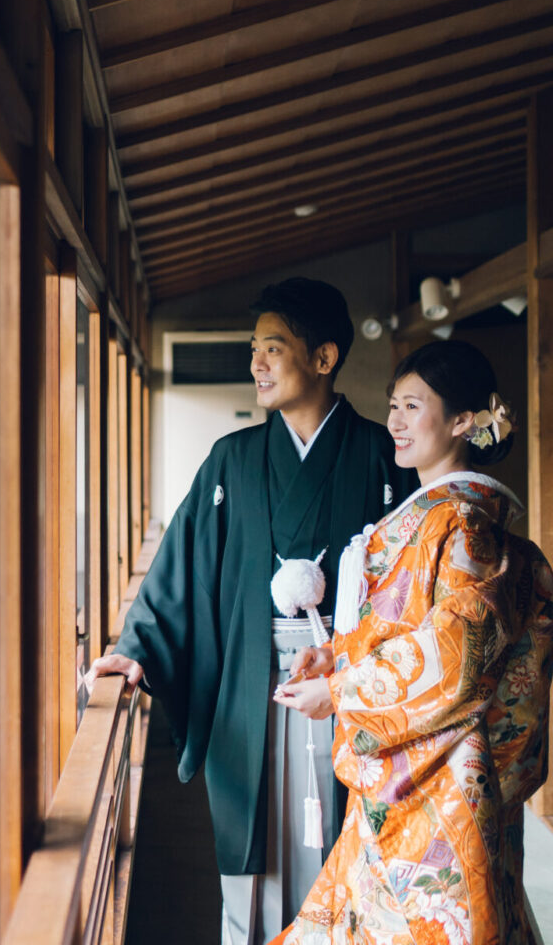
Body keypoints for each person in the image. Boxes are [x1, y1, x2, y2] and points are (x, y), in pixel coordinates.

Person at [87, 277, 416, 945]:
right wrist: (139, 647)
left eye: (273, 348)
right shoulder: (231, 461)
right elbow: (179, 569)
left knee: (352, 844)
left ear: (323, 359)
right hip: (248, 682)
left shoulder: (383, 455)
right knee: (251, 855)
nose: (256, 364)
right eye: (254, 350)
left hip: (348, 684)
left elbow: (412, 583)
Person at [270, 340, 553, 945]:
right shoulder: (434, 516)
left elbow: (454, 658)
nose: (395, 422)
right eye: (393, 405)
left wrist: (343, 691)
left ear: (462, 422)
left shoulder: (464, 524)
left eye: (411, 406)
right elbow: (403, 631)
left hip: (444, 779)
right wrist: (337, 656)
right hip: (411, 763)